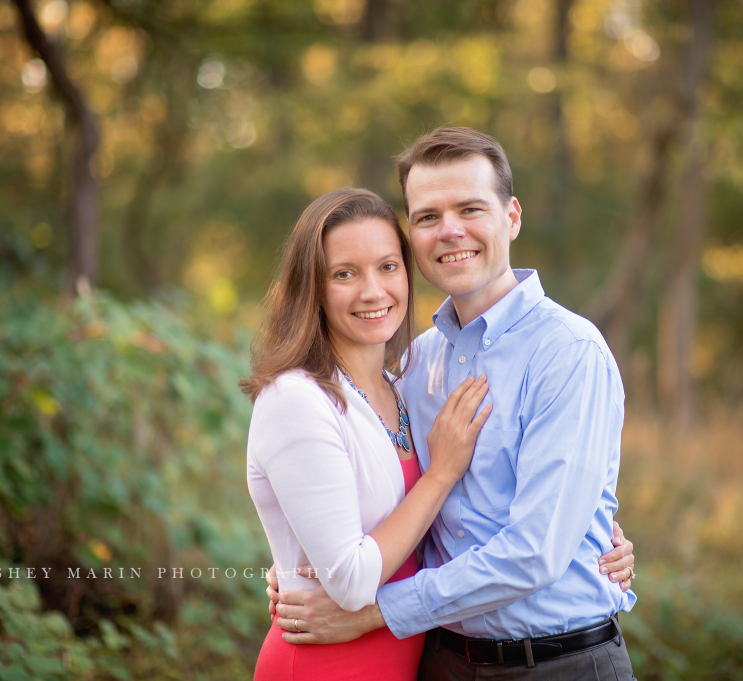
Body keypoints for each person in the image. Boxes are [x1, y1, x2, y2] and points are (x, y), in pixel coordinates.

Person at [268, 127, 638, 680]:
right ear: (412, 236)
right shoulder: (415, 365)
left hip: (558, 664)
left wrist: (374, 612)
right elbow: (364, 493)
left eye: (470, 208)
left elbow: (537, 552)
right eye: (427, 217)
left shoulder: (569, 353)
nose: (450, 231)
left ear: (511, 217)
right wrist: (301, 566)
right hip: (438, 662)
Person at [241, 188, 496, 680]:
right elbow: (353, 583)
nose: (373, 291)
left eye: (387, 267)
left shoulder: (406, 388)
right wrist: (439, 474)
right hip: (326, 664)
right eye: (344, 274)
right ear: (311, 288)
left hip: (404, 660)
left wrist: (593, 538)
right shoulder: (296, 400)